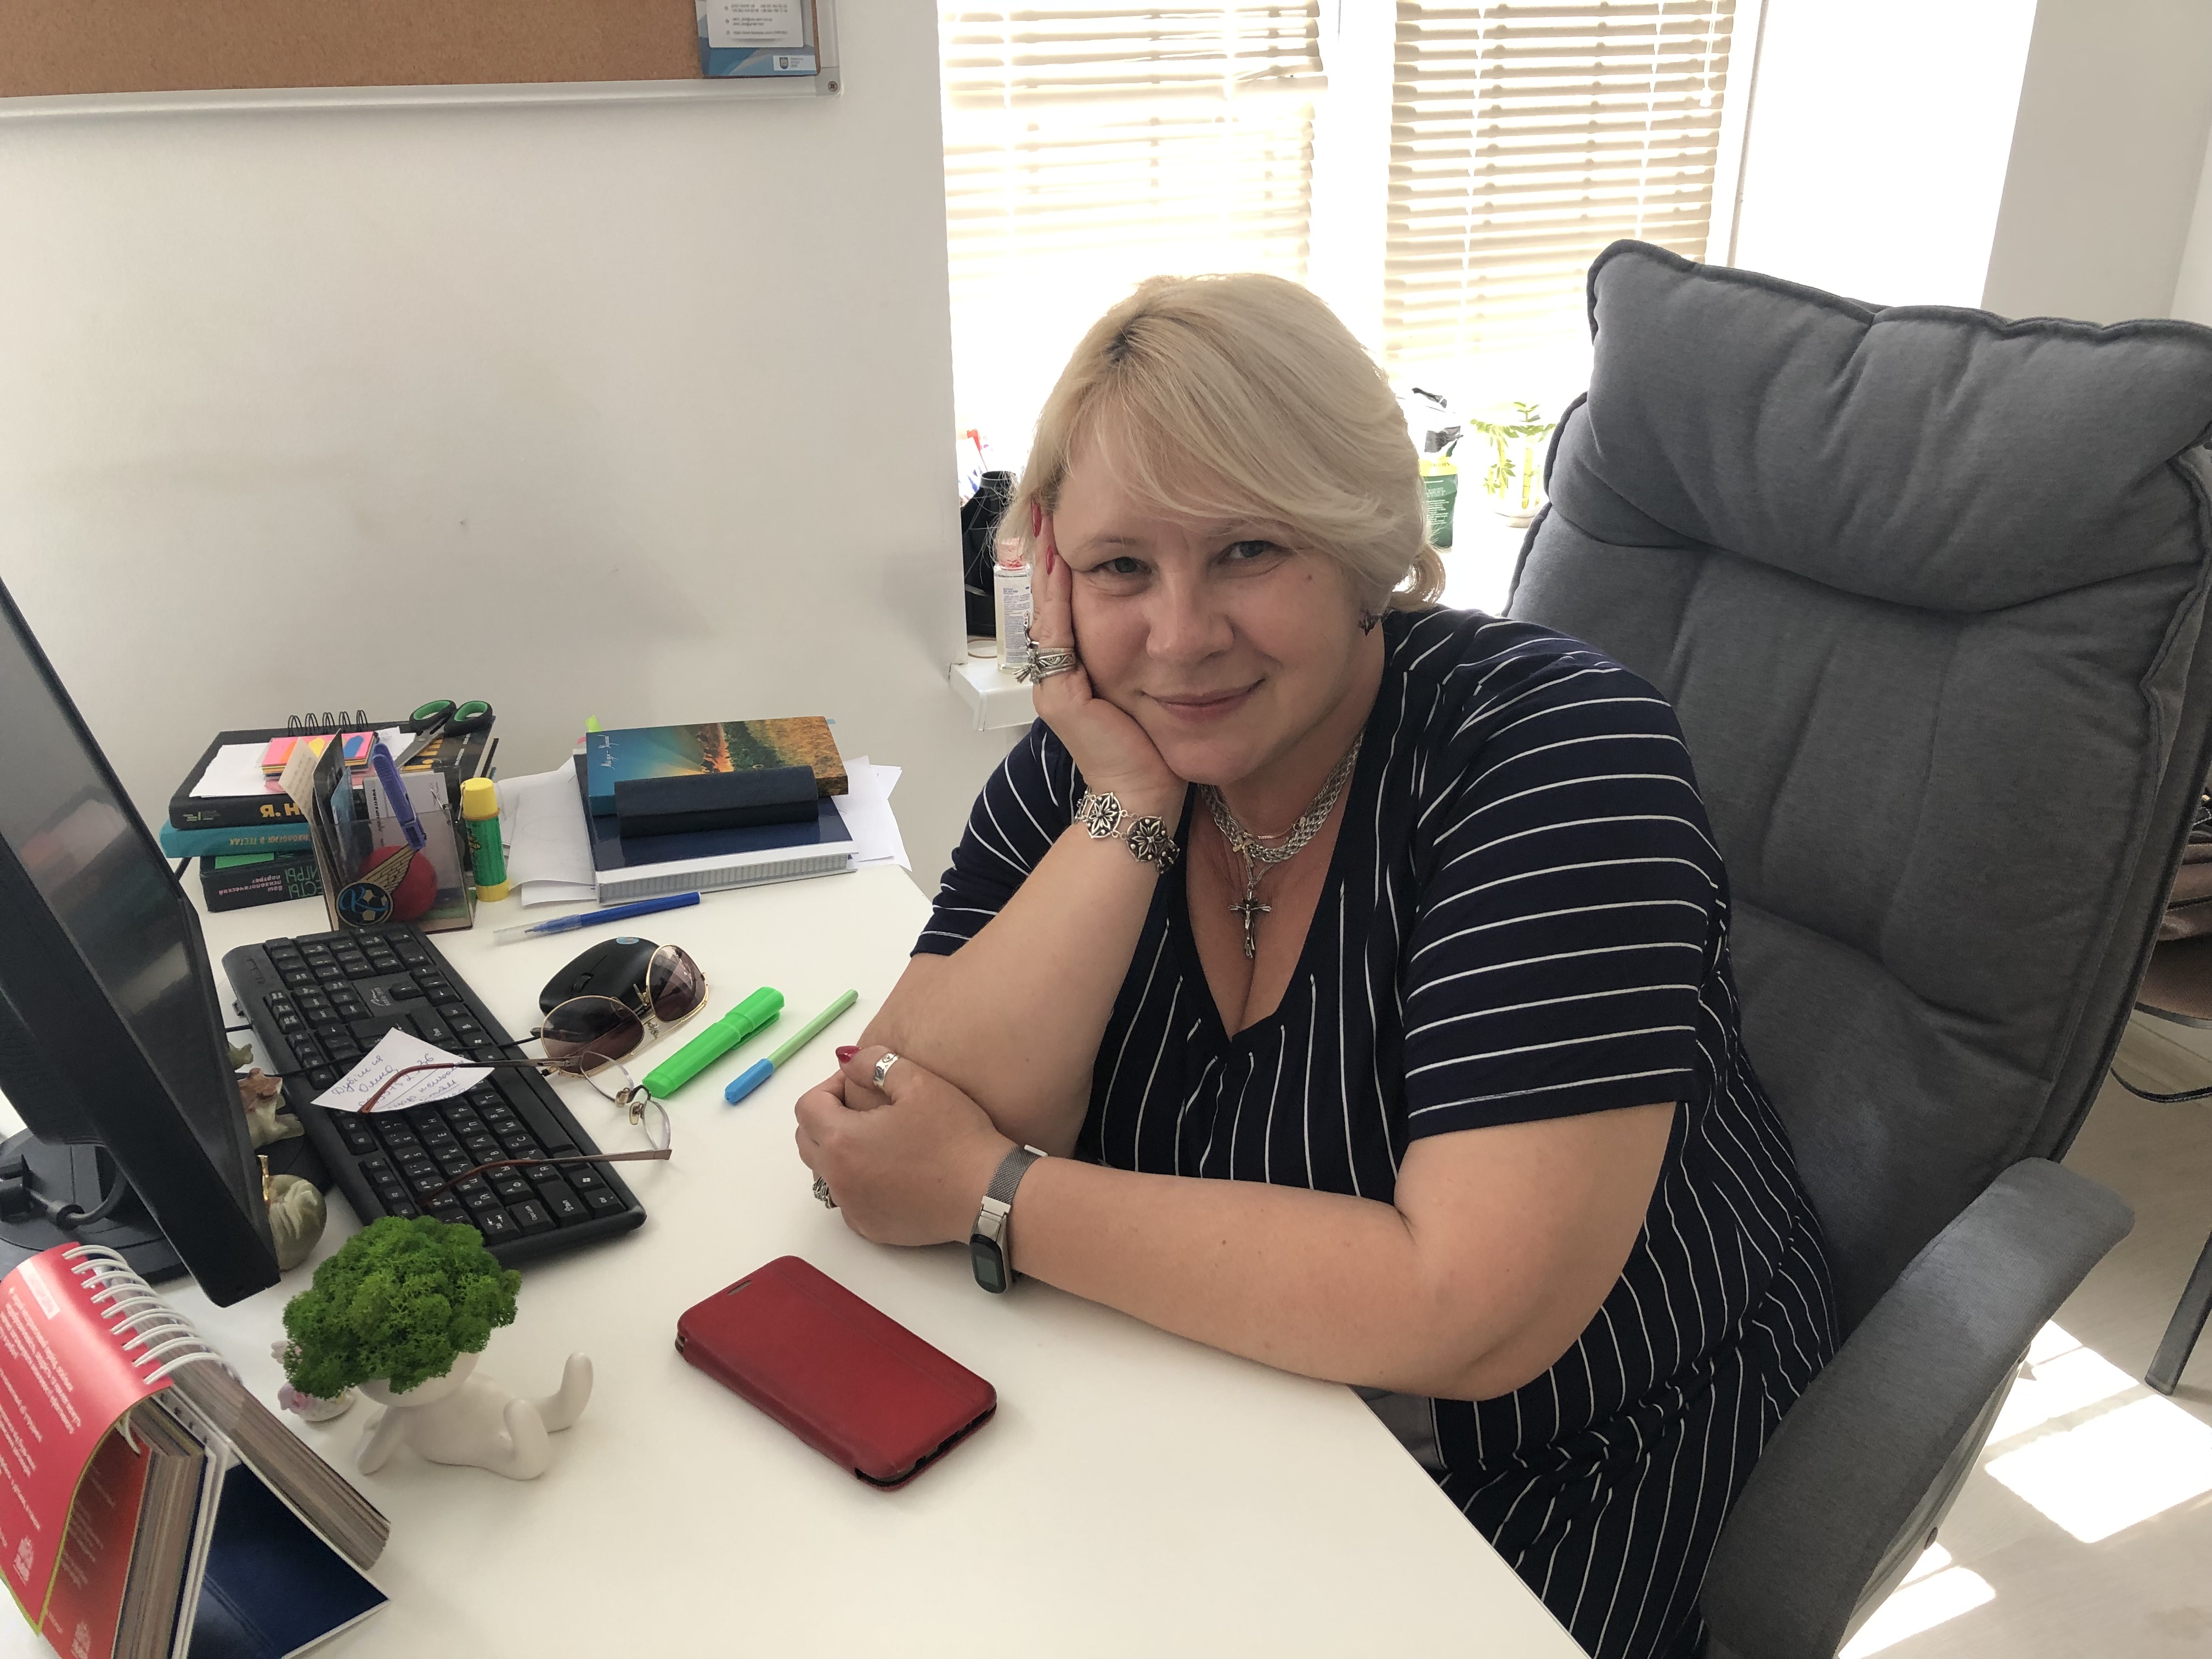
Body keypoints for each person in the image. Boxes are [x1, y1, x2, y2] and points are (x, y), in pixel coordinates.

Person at [793, 273, 1838, 1659]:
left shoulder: (1560, 760)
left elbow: (1462, 1308)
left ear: (1364, 543)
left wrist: (994, 1196)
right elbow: (894, 1122)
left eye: (1246, 552)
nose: (1177, 637)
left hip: (1550, 1467)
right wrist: (1129, 811)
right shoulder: (1094, 759)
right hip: (1210, 1404)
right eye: (1119, 569)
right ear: (1050, 580)